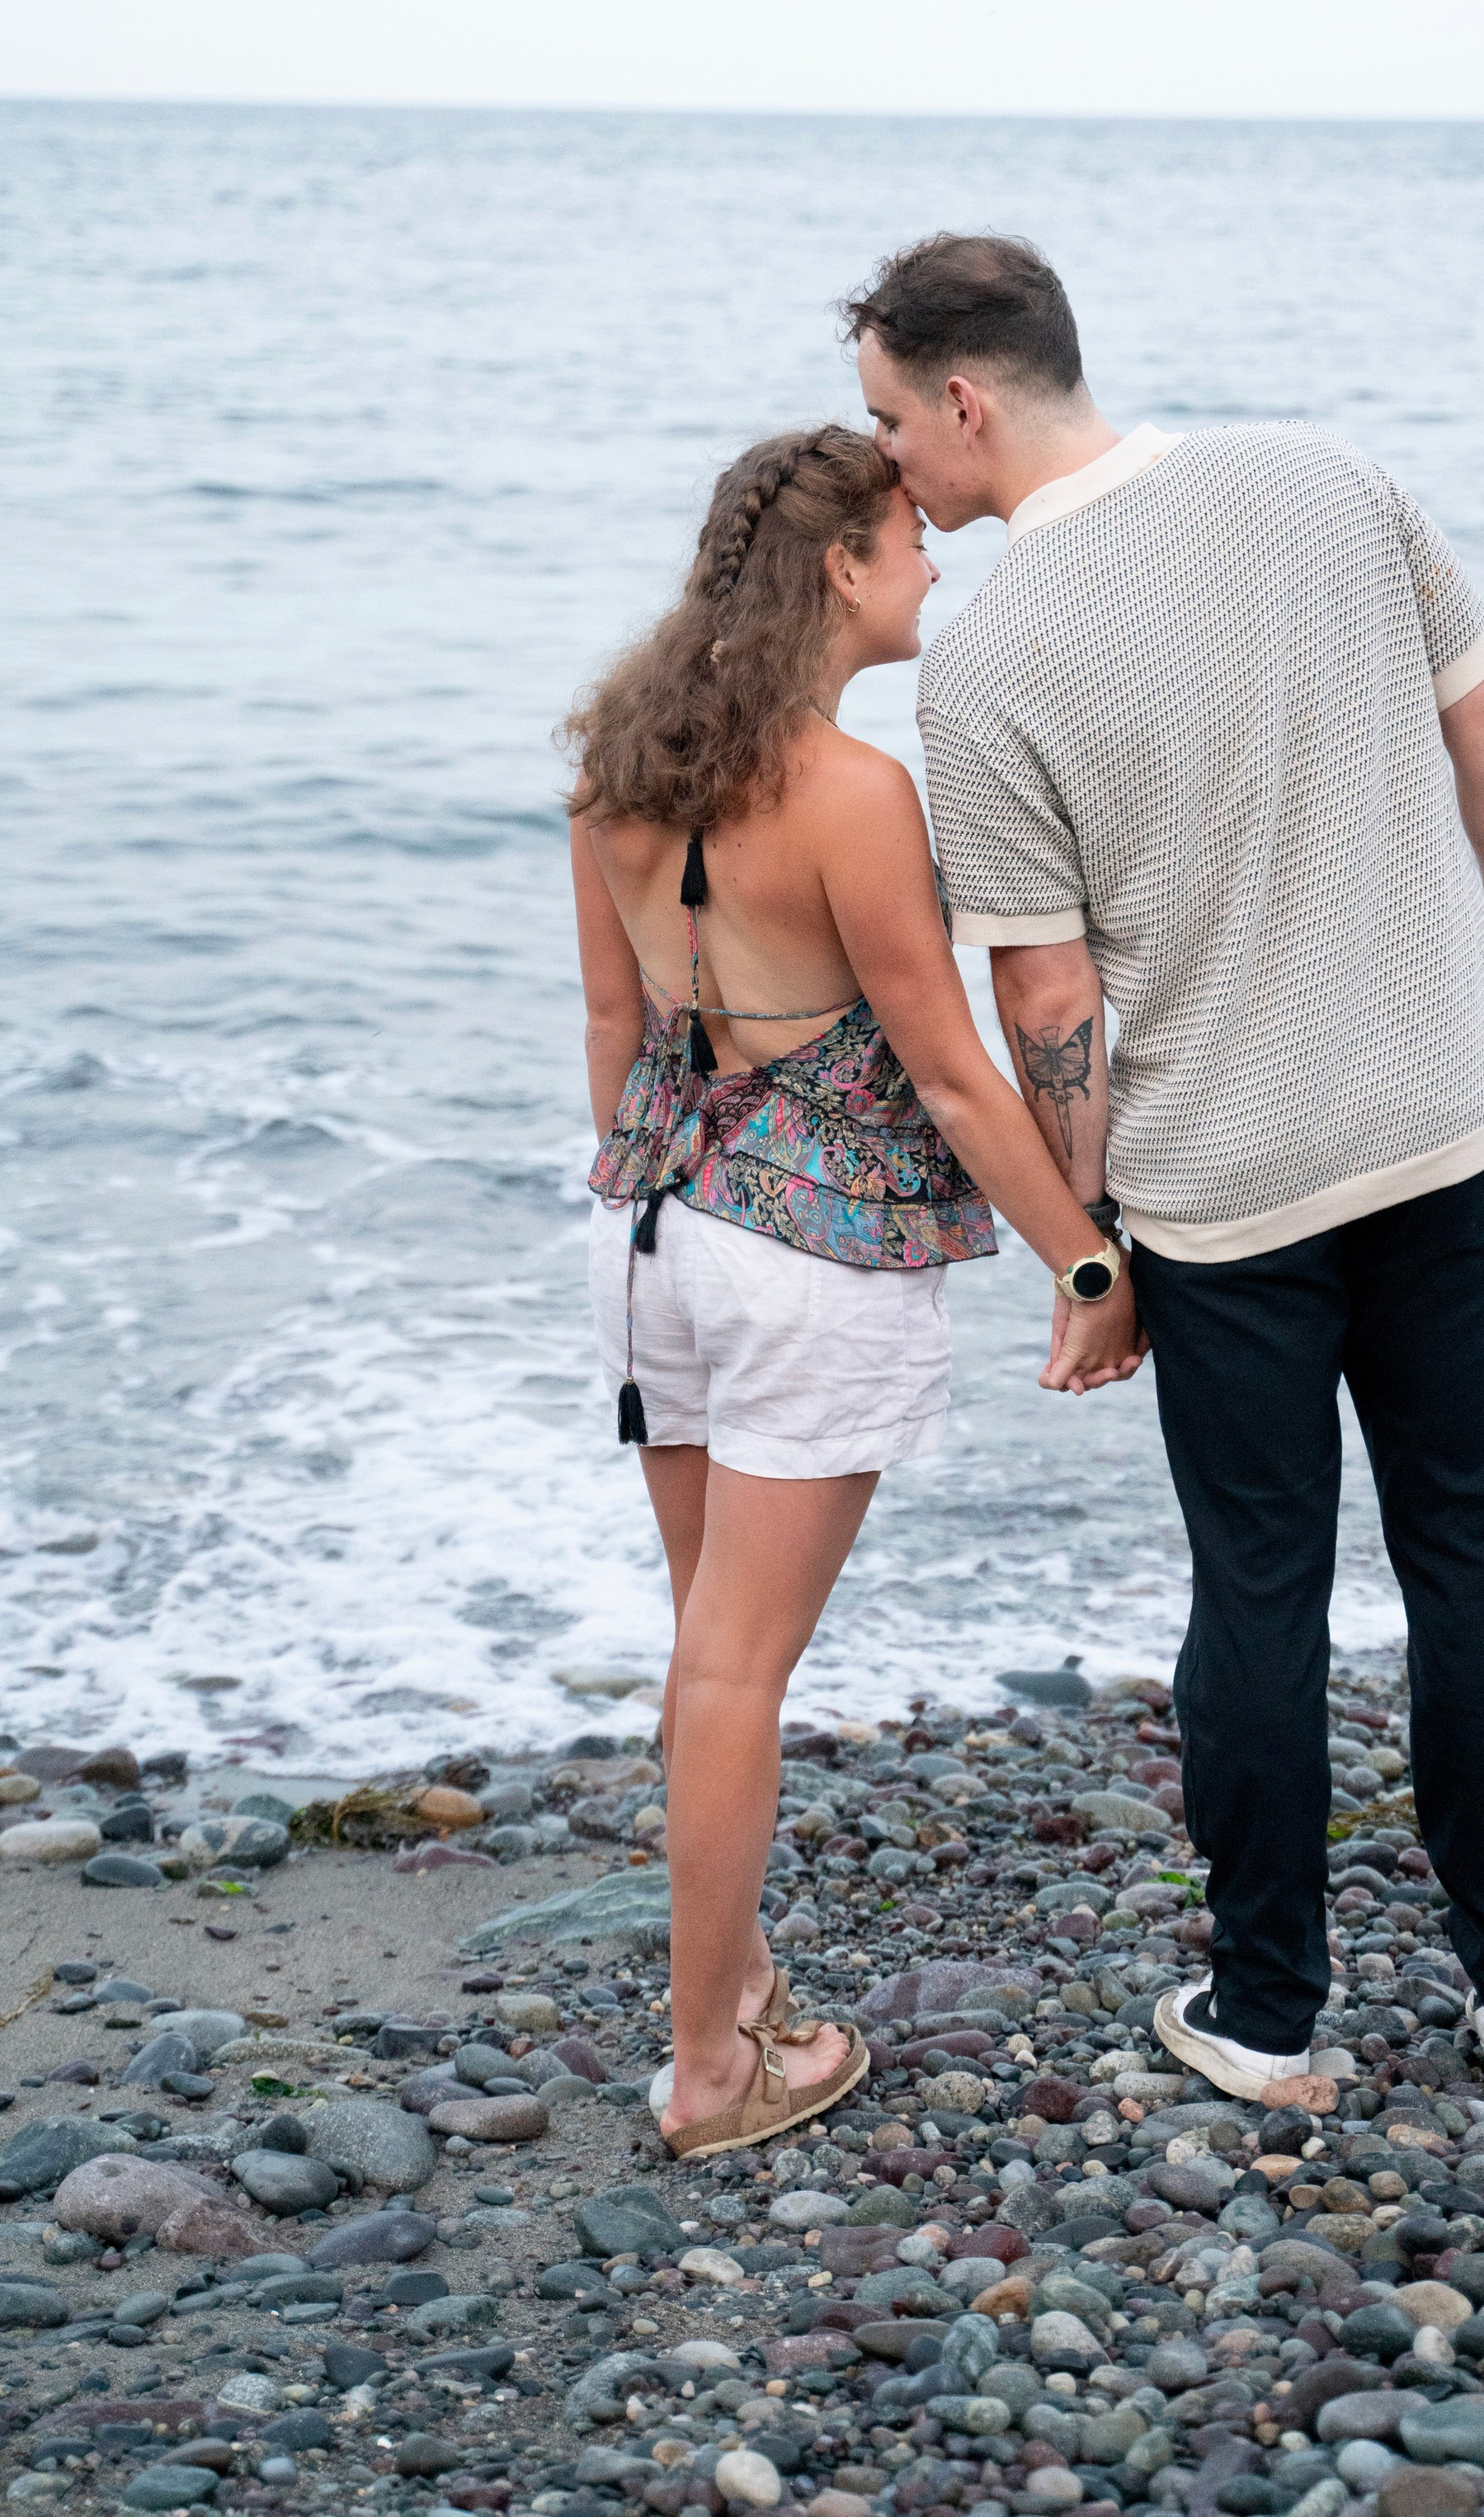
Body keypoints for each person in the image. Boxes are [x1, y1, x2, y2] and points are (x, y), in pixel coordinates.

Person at [846, 233, 1484, 2102]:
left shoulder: (989, 657)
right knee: (1470, 1545)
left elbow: (1045, 986)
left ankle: (1267, 2014)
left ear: (964, 397)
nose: (893, 473)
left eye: (887, 424)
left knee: (1256, 1585)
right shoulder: (1326, 479)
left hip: (1226, 1197)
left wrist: (1090, 1248)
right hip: (1435, 1122)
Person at [564, 422, 1142, 2161]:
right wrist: (1091, 1261)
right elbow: (954, 1074)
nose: (931, 562)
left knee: (707, 1652)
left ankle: (737, 2005)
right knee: (738, 1668)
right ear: (838, 568)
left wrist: (680, 1203)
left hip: (648, 1230)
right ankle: (708, 2071)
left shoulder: (614, 762)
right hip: (805, 1262)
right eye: (907, 538)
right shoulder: (850, 792)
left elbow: (614, 1034)